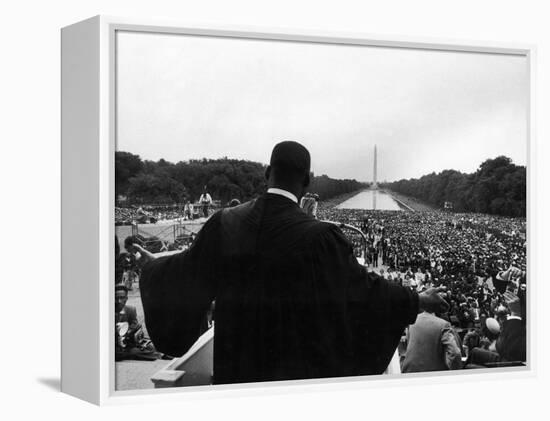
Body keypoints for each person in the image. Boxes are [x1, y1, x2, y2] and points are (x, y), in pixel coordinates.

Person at [137, 141, 448, 384]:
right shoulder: (321, 237)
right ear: (307, 180)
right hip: (292, 373)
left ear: (266, 173)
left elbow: (188, 272)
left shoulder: (226, 222)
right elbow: (364, 291)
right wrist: (416, 298)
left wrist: (154, 267)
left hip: (236, 369)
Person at [402, 306, 462, 373]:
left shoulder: (413, 320)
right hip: (433, 372)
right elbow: (455, 353)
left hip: (409, 370)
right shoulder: (443, 324)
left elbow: (408, 343)